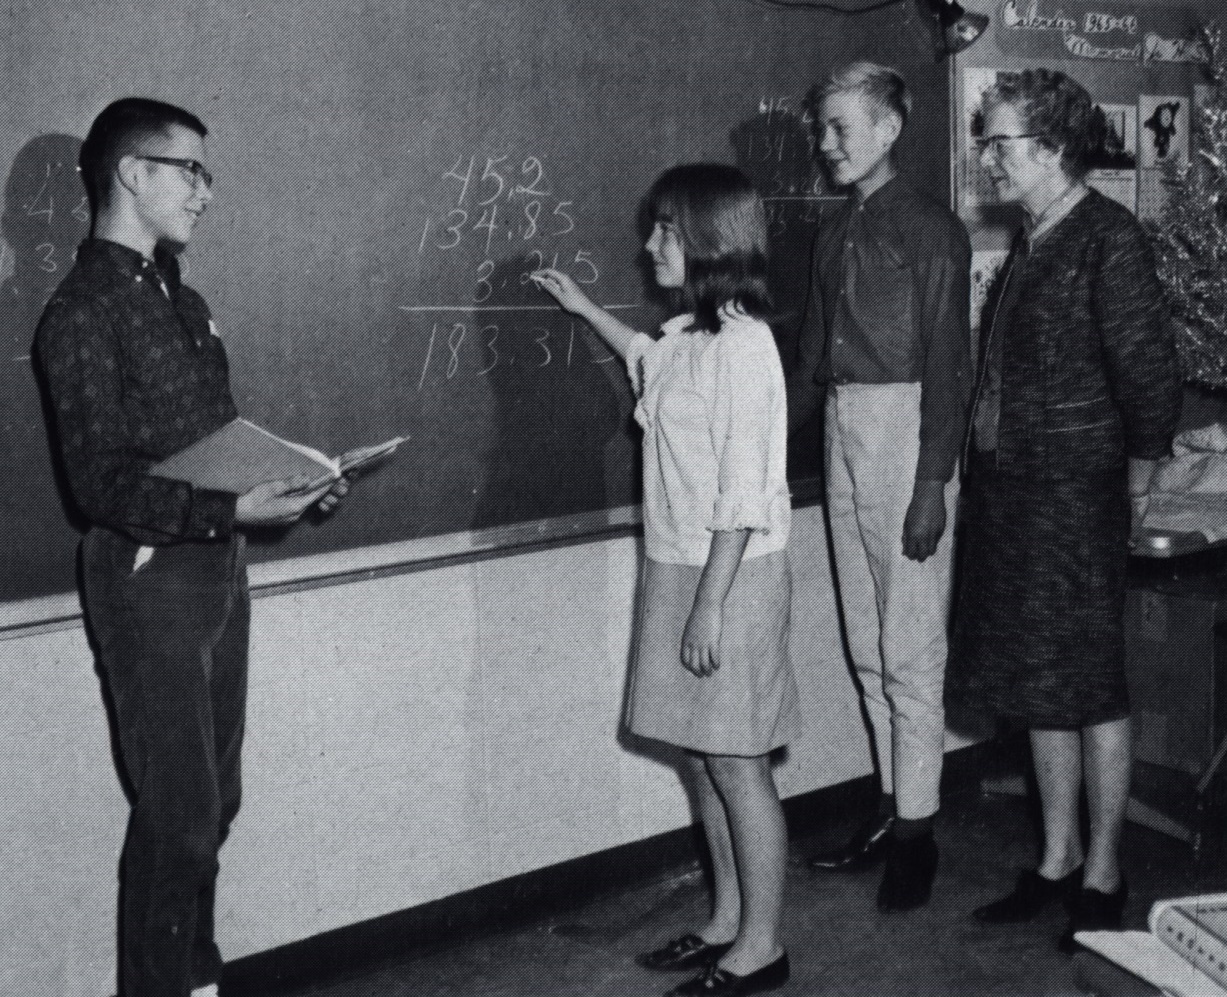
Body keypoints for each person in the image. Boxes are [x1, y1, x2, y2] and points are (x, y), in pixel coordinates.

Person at [34, 98, 349, 997]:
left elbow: (216, 444)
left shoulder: (184, 300)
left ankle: (191, 980)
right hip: (147, 576)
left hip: (215, 568)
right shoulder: (82, 310)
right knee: (179, 816)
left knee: (213, 803)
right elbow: (99, 484)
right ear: (133, 173)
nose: (205, 192)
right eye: (191, 171)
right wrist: (228, 509)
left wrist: (286, 485)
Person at [532, 163, 797, 997]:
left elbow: (744, 495)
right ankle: (724, 920)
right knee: (702, 757)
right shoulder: (691, 336)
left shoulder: (745, 347)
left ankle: (762, 947)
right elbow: (647, 358)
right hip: (681, 565)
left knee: (738, 763)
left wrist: (709, 606)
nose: (650, 245)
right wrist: (584, 310)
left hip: (730, 576)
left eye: (666, 230)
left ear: (712, 239)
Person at [948, 69, 1181, 951]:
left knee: (1089, 687)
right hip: (1015, 494)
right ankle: (1054, 858)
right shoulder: (1033, 237)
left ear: (1050, 148)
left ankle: (1103, 872)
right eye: (987, 142)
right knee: (1038, 684)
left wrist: (1135, 485)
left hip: (1076, 496)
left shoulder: (1105, 237)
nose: (988, 158)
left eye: (1000, 143)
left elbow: (1148, 379)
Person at [787, 62, 971, 912]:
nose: (826, 145)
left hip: (906, 430)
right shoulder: (834, 231)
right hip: (843, 427)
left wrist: (930, 483)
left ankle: (916, 838)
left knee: (910, 648)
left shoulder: (930, 230)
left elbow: (948, 366)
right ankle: (892, 812)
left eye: (840, 128)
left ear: (888, 129)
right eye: (821, 130)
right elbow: (811, 364)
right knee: (865, 642)